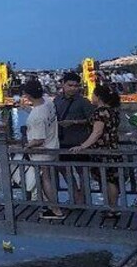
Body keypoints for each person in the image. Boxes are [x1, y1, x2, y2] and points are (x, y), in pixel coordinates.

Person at [70, 85, 122, 217]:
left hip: (102, 150)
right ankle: (113, 207)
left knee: (107, 180)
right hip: (113, 148)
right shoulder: (112, 111)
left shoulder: (100, 112)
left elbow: (97, 132)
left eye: (93, 94)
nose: (91, 97)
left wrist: (83, 146)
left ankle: (112, 208)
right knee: (111, 179)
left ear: (98, 97)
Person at [22, 80, 62, 219]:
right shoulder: (48, 103)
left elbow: (39, 139)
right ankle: (50, 204)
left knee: (45, 179)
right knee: (49, 178)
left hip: (42, 152)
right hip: (53, 146)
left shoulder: (36, 117)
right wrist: (26, 109)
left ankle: (55, 209)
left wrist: (26, 147)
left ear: (27, 95)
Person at [53, 72, 95, 204]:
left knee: (82, 172)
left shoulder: (83, 102)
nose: (73, 88)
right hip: (62, 141)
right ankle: (76, 196)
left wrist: (75, 122)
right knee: (64, 170)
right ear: (63, 85)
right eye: (70, 85)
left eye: (76, 86)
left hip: (79, 141)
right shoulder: (57, 100)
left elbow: (93, 120)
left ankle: (83, 199)